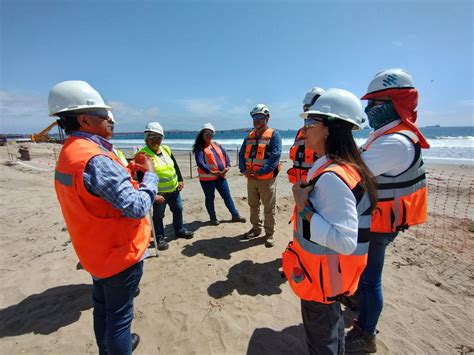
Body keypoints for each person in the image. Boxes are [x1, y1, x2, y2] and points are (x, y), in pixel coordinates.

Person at [51, 80, 157, 354]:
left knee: (102, 307)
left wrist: (127, 169)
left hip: (94, 250)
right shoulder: (96, 159)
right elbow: (136, 206)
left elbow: (95, 189)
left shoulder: (72, 152)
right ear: (84, 119)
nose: (111, 119)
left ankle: (106, 349)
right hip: (119, 253)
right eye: (104, 114)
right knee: (120, 317)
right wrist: (151, 177)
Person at [283, 88, 378, 354]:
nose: (304, 130)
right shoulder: (340, 165)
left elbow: (346, 241)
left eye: (310, 123)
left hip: (321, 277)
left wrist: (305, 209)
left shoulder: (333, 176)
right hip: (330, 277)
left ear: (328, 129)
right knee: (332, 333)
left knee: (322, 341)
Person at [345, 69, 429, 353]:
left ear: (394, 101)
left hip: (379, 224)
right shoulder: (387, 135)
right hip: (378, 218)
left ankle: (366, 334)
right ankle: (358, 307)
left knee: (370, 281)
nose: (369, 109)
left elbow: (353, 171)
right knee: (365, 277)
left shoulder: (394, 142)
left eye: (374, 103)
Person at [137, 122, 194, 251]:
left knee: (178, 210)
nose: (155, 140)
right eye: (151, 136)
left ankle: (179, 230)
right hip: (159, 194)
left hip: (174, 190)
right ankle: (159, 237)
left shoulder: (166, 149)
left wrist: (180, 179)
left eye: (158, 137)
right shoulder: (143, 154)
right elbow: (141, 178)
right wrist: (153, 195)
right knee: (158, 216)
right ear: (146, 137)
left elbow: (174, 165)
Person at [239, 104, 282, 248]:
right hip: (251, 178)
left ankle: (269, 234)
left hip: (266, 179)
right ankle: (256, 229)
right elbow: (241, 154)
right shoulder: (249, 136)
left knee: (268, 207)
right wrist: (243, 169)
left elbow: (274, 157)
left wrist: (260, 171)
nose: (256, 120)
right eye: (254, 117)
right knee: (253, 205)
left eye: (260, 117)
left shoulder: (274, 135)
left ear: (267, 118)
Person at [193, 122, 246, 225]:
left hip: (220, 177)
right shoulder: (199, 148)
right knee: (210, 198)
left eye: (211, 134)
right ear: (202, 134)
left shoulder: (216, 144)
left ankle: (235, 215)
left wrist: (228, 166)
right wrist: (211, 172)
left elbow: (225, 155)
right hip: (207, 179)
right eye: (206, 133)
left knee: (227, 196)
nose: (209, 135)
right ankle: (213, 218)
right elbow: (200, 163)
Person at [287, 87, 325, 184]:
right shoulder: (300, 132)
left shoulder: (326, 133)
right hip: (299, 184)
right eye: (305, 108)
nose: (307, 112)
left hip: (316, 185)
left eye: (309, 108)